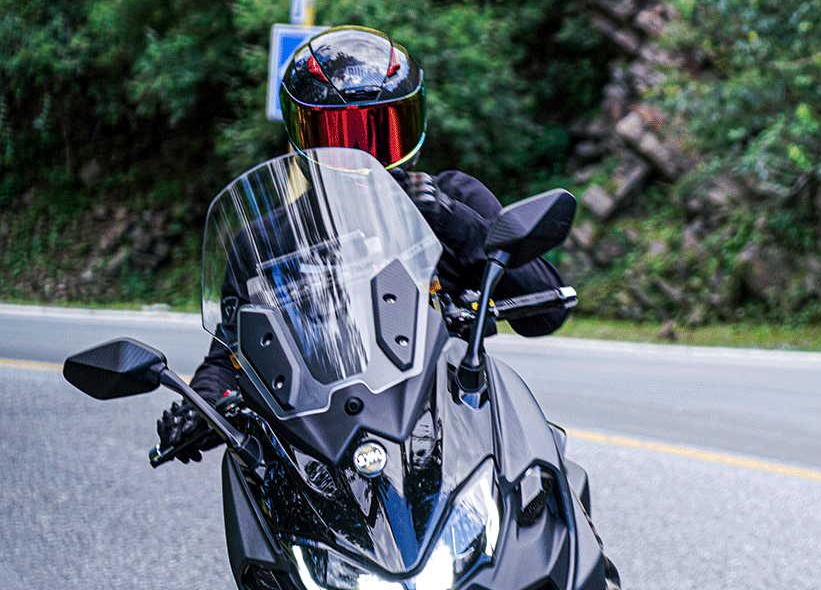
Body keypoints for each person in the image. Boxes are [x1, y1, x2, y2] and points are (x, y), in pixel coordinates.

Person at [156, 26, 572, 461]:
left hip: (447, 434)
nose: (364, 155)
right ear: (305, 139)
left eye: (381, 133)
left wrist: (449, 218)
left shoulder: (454, 200)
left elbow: (547, 310)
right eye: (340, 138)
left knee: (544, 464)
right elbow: (229, 356)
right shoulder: (265, 241)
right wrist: (202, 406)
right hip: (319, 452)